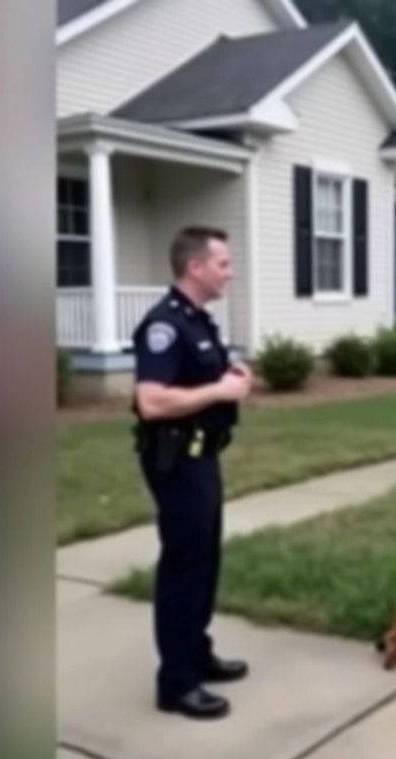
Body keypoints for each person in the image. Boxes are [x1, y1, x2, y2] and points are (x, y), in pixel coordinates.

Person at [132, 226, 253, 719]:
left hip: (203, 456)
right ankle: (176, 683)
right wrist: (220, 392)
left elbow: (205, 379)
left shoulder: (198, 322)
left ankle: (195, 653)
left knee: (204, 564)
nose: (231, 272)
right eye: (223, 264)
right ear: (195, 267)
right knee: (183, 568)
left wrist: (232, 376)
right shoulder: (163, 325)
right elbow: (152, 400)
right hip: (176, 459)